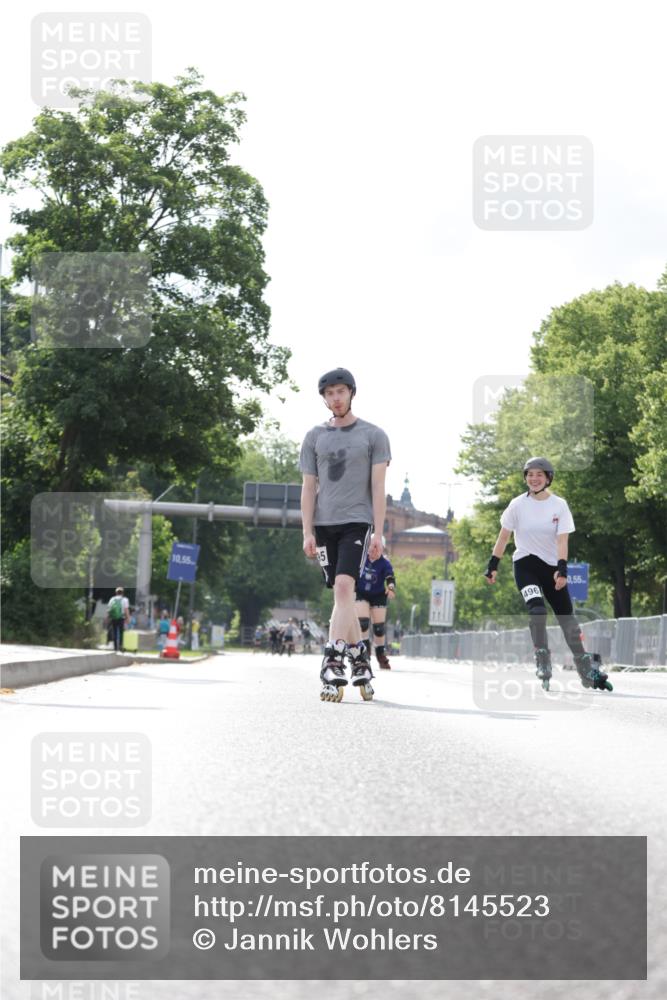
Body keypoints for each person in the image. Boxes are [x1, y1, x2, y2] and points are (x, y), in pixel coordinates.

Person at [300, 367, 391, 702]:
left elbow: (378, 488)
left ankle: (333, 658)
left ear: (352, 393)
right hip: (324, 525)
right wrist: (307, 530)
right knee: (344, 598)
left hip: (357, 521)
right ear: (324, 398)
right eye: (329, 393)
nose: (335, 398)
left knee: (344, 587)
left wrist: (378, 532)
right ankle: (361, 660)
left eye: (340, 391)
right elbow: (309, 488)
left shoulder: (373, 435)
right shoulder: (314, 437)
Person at [484, 456, 612, 692]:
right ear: (525, 478)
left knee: (568, 618)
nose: (534, 479)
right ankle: (542, 658)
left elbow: (562, 540)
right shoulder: (517, 505)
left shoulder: (559, 505)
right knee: (538, 610)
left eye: (539, 475)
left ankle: (586, 670)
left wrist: (561, 570)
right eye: (530, 475)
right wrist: (493, 564)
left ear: (548, 478)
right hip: (525, 565)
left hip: (552, 567)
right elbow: (504, 536)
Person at [355, 539, 397, 669]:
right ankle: (365, 653)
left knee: (379, 628)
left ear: (382, 548)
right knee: (363, 624)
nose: (373, 550)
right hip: (361, 592)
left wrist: (390, 588)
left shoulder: (385, 563)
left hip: (378, 594)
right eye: (371, 546)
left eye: (377, 547)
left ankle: (380, 654)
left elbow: (390, 577)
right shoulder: (361, 558)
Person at [106, 587, 130, 652]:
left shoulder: (112, 599)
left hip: (113, 618)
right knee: (121, 632)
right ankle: (120, 645)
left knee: (115, 632)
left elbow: (109, 609)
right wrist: (128, 618)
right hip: (121, 618)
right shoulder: (125, 600)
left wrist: (108, 618)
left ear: (116, 593)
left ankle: (115, 647)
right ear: (122, 593)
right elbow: (126, 609)